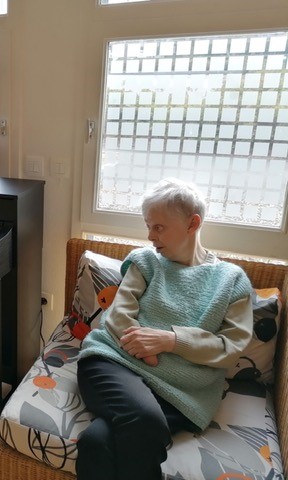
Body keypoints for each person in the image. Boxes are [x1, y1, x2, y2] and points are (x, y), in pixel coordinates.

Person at [75, 178, 254, 480]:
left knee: (96, 442)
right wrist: (145, 353)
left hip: (181, 392)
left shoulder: (231, 281)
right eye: (148, 226)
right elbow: (119, 316)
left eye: (158, 227)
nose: (150, 236)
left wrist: (171, 341)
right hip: (113, 363)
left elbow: (231, 347)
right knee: (144, 420)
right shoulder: (145, 261)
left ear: (192, 223)